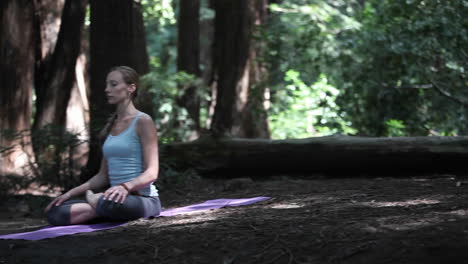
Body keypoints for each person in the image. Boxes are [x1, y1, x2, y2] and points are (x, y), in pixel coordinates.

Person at [45, 66, 161, 225]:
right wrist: (69, 194)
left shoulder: (143, 121)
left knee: (111, 203)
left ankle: (101, 204)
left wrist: (125, 187)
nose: (107, 89)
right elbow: (102, 176)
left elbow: (152, 173)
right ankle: (101, 206)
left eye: (113, 84)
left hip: (143, 199)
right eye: (107, 85)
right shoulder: (112, 126)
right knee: (56, 212)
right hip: (114, 199)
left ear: (130, 88)